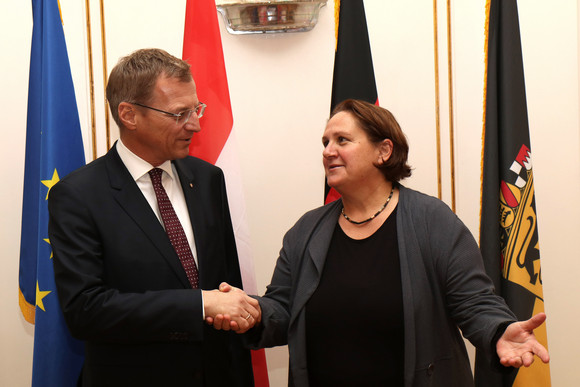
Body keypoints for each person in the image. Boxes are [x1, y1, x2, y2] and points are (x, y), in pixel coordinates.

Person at [209, 99, 550, 386]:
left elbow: (474, 302)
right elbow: (283, 309)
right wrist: (251, 312)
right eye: (325, 142)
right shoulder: (306, 230)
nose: (329, 151)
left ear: (384, 151)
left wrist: (500, 329)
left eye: (343, 140)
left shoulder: (433, 221)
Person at [48, 48, 260, 387]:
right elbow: (85, 310)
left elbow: (227, 285)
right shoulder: (78, 195)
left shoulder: (207, 179)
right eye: (179, 114)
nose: (196, 124)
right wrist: (199, 304)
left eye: (196, 109)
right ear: (129, 115)